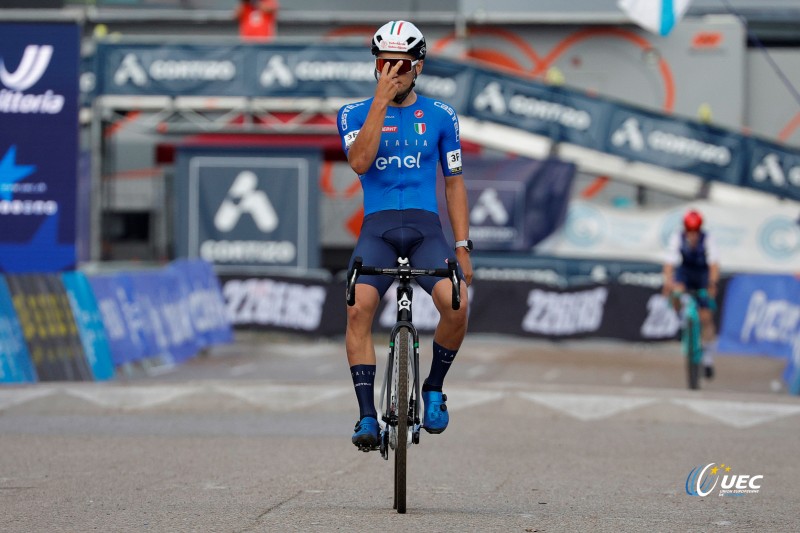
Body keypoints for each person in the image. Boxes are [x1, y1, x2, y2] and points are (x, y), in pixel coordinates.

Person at [337, 20, 472, 451]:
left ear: (419, 67)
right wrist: (379, 103)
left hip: (424, 228)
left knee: (457, 300)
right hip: (377, 227)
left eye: (401, 65)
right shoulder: (353, 114)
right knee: (358, 308)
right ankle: (366, 417)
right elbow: (360, 163)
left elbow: (453, 182)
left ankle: (433, 387)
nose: (391, 72)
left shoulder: (441, 116)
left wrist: (462, 245)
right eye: (383, 64)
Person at [663, 209, 720, 379]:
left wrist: (712, 284)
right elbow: (669, 264)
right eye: (689, 231)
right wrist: (668, 283)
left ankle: (708, 359)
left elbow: (714, 265)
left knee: (706, 317)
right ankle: (682, 321)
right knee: (676, 292)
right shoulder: (677, 238)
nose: (692, 235)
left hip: (702, 276)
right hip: (686, 274)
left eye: (695, 231)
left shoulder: (708, 239)